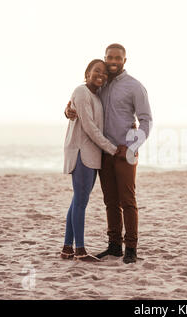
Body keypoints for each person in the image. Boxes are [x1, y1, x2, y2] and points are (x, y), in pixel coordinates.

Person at [65, 43, 152, 264]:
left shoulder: (135, 87)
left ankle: (130, 247)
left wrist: (133, 146)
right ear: (105, 58)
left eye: (117, 58)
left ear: (125, 60)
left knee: (128, 201)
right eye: (109, 58)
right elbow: (80, 103)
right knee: (110, 201)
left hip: (126, 152)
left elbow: (145, 120)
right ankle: (114, 246)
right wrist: (67, 110)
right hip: (104, 152)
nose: (113, 62)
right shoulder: (100, 84)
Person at [61, 59, 118, 262]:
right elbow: (89, 127)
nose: (100, 75)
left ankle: (67, 249)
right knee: (81, 202)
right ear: (87, 73)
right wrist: (112, 149)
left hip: (92, 154)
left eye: (104, 73)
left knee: (78, 200)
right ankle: (80, 251)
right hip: (81, 152)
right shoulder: (81, 91)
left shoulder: (96, 95)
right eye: (96, 71)